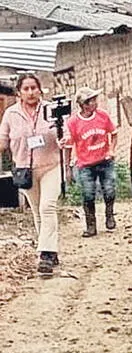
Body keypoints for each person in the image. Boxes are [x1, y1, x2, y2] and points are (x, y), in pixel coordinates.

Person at [0, 74, 66, 276]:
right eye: (26, 89)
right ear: (19, 92)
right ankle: (51, 250)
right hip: (25, 171)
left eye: (33, 88)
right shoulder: (11, 114)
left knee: (48, 207)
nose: (30, 93)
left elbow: (66, 133)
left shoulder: (51, 110)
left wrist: (65, 141)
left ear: (40, 90)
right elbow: (3, 141)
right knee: (37, 211)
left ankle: (45, 254)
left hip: (50, 166)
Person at [65, 87, 118, 237]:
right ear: (84, 104)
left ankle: (109, 215)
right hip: (85, 164)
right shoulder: (73, 122)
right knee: (88, 194)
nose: (95, 103)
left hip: (104, 161)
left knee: (109, 190)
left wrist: (111, 150)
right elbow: (68, 146)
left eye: (95, 99)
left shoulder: (103, 116)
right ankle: (91, 225)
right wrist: (68, 168)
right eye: (92, 100)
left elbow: (113, 134)